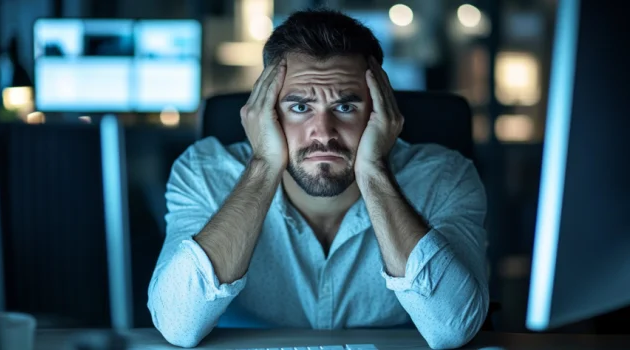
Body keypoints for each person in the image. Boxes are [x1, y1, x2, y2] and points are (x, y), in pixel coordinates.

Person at [148, 9, 489, 349]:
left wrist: (373, 171)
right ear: (265, 111)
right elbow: (178, 325)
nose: (323, 133)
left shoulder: (446, 177)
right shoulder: (204, 172)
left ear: (380, 109)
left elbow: (452, 328)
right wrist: (265, 165)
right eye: (299, 107)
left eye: (345, 107)